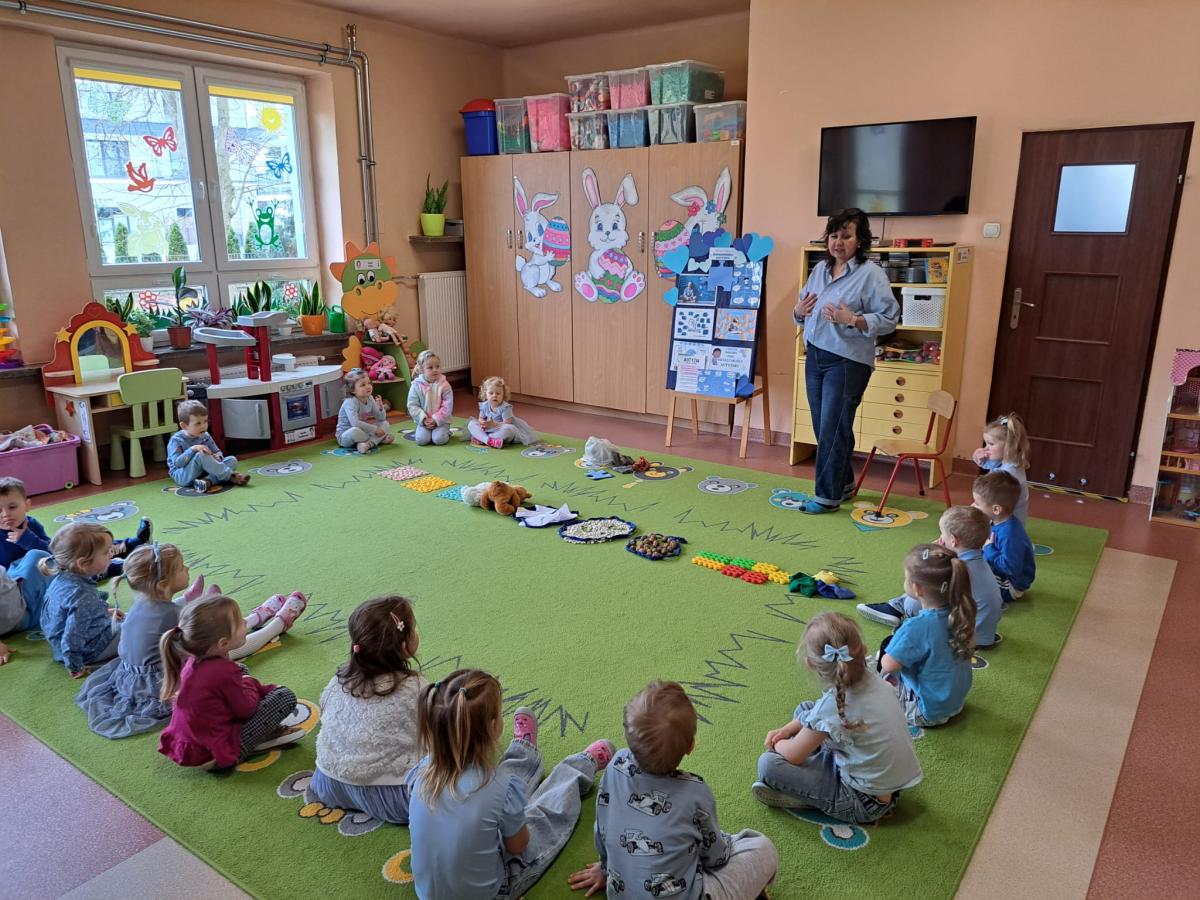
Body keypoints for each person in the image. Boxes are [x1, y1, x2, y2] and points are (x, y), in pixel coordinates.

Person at [406, 668, 614, 899]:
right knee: (542, 819)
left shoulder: (421, 771)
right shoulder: (500, 786)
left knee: (496, 787)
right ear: (492, 726)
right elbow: (518, 846)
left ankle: (524, 749)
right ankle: (579, 767)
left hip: (429, 893)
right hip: (492, 893)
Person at [569, 681, 778, 900]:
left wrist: (605, 868)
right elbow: (716, 857)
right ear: (691, 746)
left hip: (621, 894)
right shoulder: (694, 791)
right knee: (761, 847)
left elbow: (602, 829)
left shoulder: (615, 765)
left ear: (628, 737)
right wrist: (724, 842)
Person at [76, 543, 307, 738]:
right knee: (224, 643)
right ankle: (278, 624)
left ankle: (257, 617)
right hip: (159, 678)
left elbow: (170, 611)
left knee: (223, 632)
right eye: (180, 568)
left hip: (131, 673)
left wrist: (188, 600)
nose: (187, 569)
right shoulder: (169, 614)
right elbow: (202, 630)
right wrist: (203, 608)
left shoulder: (145, 601)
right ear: (163, 585)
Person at [753, 612, 922, 823]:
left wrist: (779, 741)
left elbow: (793, 755)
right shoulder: (876, 681)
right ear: (863, 650)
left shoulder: (832, 706)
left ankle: (809, 799)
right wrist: (788, 729)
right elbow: (817, 715)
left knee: (768, 764)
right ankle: (812, 754)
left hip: (862, 801)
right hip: (889, 785)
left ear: (811, 664)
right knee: (806, 709)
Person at [792, 209, 899, 514]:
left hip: (847, 361)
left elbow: (890, 319)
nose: (838, 242)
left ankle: (827, 498)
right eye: (834, 235)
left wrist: (851, 319)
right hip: (815, 355)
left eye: (846, 236)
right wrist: (798, 312)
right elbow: (802, 310)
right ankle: (845, 482)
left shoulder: (871, 274)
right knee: (825, 426)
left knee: (832, 428)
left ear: (860, 240)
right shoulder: (819, 270)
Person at [310, 596, 425, 824]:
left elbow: (325, 711)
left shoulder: (339, 681)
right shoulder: (416, 689)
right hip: (394, 796)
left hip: (329, 784)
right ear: (404, 645)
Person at [157, 594, 306, 771]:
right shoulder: (222, 671)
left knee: (241, 669)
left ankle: (253, 736)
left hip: (193, 746)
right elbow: (246, 709)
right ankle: (248, 744)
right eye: (240, 623)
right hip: (215, 753)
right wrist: (251, 684)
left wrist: (245, 683)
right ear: (223, 643)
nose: (245, 622)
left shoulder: (195, 661)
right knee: (284, 696)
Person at [857, 505, 1005, 649]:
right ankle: (896, 606)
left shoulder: (955, 568)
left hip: (965, 637)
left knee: (915, 597)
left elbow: (923, 590)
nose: (940, 537)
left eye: (942, 533)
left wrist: (929, 557)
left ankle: (901, 611)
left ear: (953, 540)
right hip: (985, 634)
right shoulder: (978, 561)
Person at [879, 545, 975, 727]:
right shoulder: (962, 613)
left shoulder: (916, 627)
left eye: (906, 578)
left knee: (877, 676)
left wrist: (888, 652)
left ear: (918, 589)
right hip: (956, 703)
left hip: (926, 711)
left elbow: (889, 665)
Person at [2, 475, 153, 580]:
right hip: (43, 579)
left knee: (85, 543)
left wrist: (28, 539)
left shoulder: (31, 524)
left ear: (27, 505)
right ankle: (121, 567)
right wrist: (26, 542)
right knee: (83, 566)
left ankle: (135, 543)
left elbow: (53, 552)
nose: (5, 514)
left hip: (57, 562)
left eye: (12, 507)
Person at [38, 524, 125, 678]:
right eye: (106, 552)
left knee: (130, 618)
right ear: (83, 563)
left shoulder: (62, 579)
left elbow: (62, 615)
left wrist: (102, 612)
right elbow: (73, 636)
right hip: (88, 651)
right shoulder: (82, 595)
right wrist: (74, 664)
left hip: (60, 647)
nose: (111, 555)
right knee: (138, 626)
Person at [973, 470, 1036, 604]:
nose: (973, 506)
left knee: (971, 582)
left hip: (1011, 584)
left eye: (977, 503)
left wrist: (989, 549)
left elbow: (1011, 568)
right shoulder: (996, 520)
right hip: (1000, 571)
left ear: (996, 509)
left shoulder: (1010, 534)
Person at [167, 400, 250, 494]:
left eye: (205, 421)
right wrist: (193, 449)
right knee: (200, 455)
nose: (203, 426)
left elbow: (217, 451)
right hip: (183, 475)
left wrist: (217, 457)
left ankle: (207, 481)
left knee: (232, 460)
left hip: (203, 472)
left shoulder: (205, 435)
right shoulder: (176, 440)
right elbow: (178, 464)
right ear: (184, 426)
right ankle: (231, 476)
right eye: (198, 423)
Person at [972, 412, 1031, 524]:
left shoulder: (1010, 472)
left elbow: (992, 502)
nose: (986, 448)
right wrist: (977, 456)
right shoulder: (1006, 460)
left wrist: (977, 507)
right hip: (998, 514)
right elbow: (988, 464)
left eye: (991, 444)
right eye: (986, 443)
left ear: (1009, 445)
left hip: (1005, 522)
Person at [466, 376, 537, 449]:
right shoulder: (484, 405)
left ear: (503, 395)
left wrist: (494, 424)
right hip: (488, 428)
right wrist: (483, 423)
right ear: (486, 394)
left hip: (500, 428)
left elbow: (508, 422)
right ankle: (489, 440)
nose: (494, 395)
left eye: (498, 393)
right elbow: (480, 418)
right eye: (491, 393)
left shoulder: (505, 407)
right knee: (471, 424)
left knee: (509, 430)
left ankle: (482, 438)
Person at [336, 368, 394, 454]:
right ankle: (378, 440)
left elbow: (381, 418)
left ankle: (367, 444)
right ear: (352, 390)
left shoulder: (369, 398)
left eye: (369, 383)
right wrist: (375, 430)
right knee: (355, 430)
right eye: (363, 385)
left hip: (363, 432)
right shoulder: (350, 401)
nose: (368, 386)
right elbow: (355, 423)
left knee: (385, 423)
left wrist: (380, 407)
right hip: (346, 436)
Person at [406, 350, 454, 446]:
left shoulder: (444, 385)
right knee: (421, 441)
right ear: (421, 369)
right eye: (430, 367)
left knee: (439, 440)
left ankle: (446, 431)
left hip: (441, 421)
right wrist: (423, 419)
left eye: (437, 366)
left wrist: (436, 419)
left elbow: (447, 405)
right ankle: (427, 431)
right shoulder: (416, 385)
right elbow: (412, 405)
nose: (435, 370)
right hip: (424, 422)